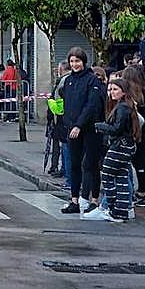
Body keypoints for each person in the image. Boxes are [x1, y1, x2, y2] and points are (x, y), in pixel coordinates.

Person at [86, 77, 139, 222]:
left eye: (115, 89)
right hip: (126, 146)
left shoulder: (122, 108)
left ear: (123, 92)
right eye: (110, 90)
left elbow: (117, 129)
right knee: (121, 177)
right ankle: (121, 211)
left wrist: (99, 126)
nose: (111, 93)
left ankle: (112, 207)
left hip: (119, 147)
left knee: (108, 176)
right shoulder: (127, 106)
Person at [60, 47, 105, 215]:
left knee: (91, 165)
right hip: (72, 129)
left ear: (83, 61)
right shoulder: (69, 80)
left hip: (90, 129)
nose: (74, 64)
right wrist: (69, 124)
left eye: (77, 61)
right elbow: (68, 104)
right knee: (74, 164)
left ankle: (94, 200)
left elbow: (91, 105)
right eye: (72, 61)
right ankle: (74, 200)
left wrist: (79, 124)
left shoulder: (92, 80)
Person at [120, 63, 145, 207]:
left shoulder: (143, 94)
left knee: (143, 162)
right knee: (142, 161)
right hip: (142, 131)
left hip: (140, 132)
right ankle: (144, 191)